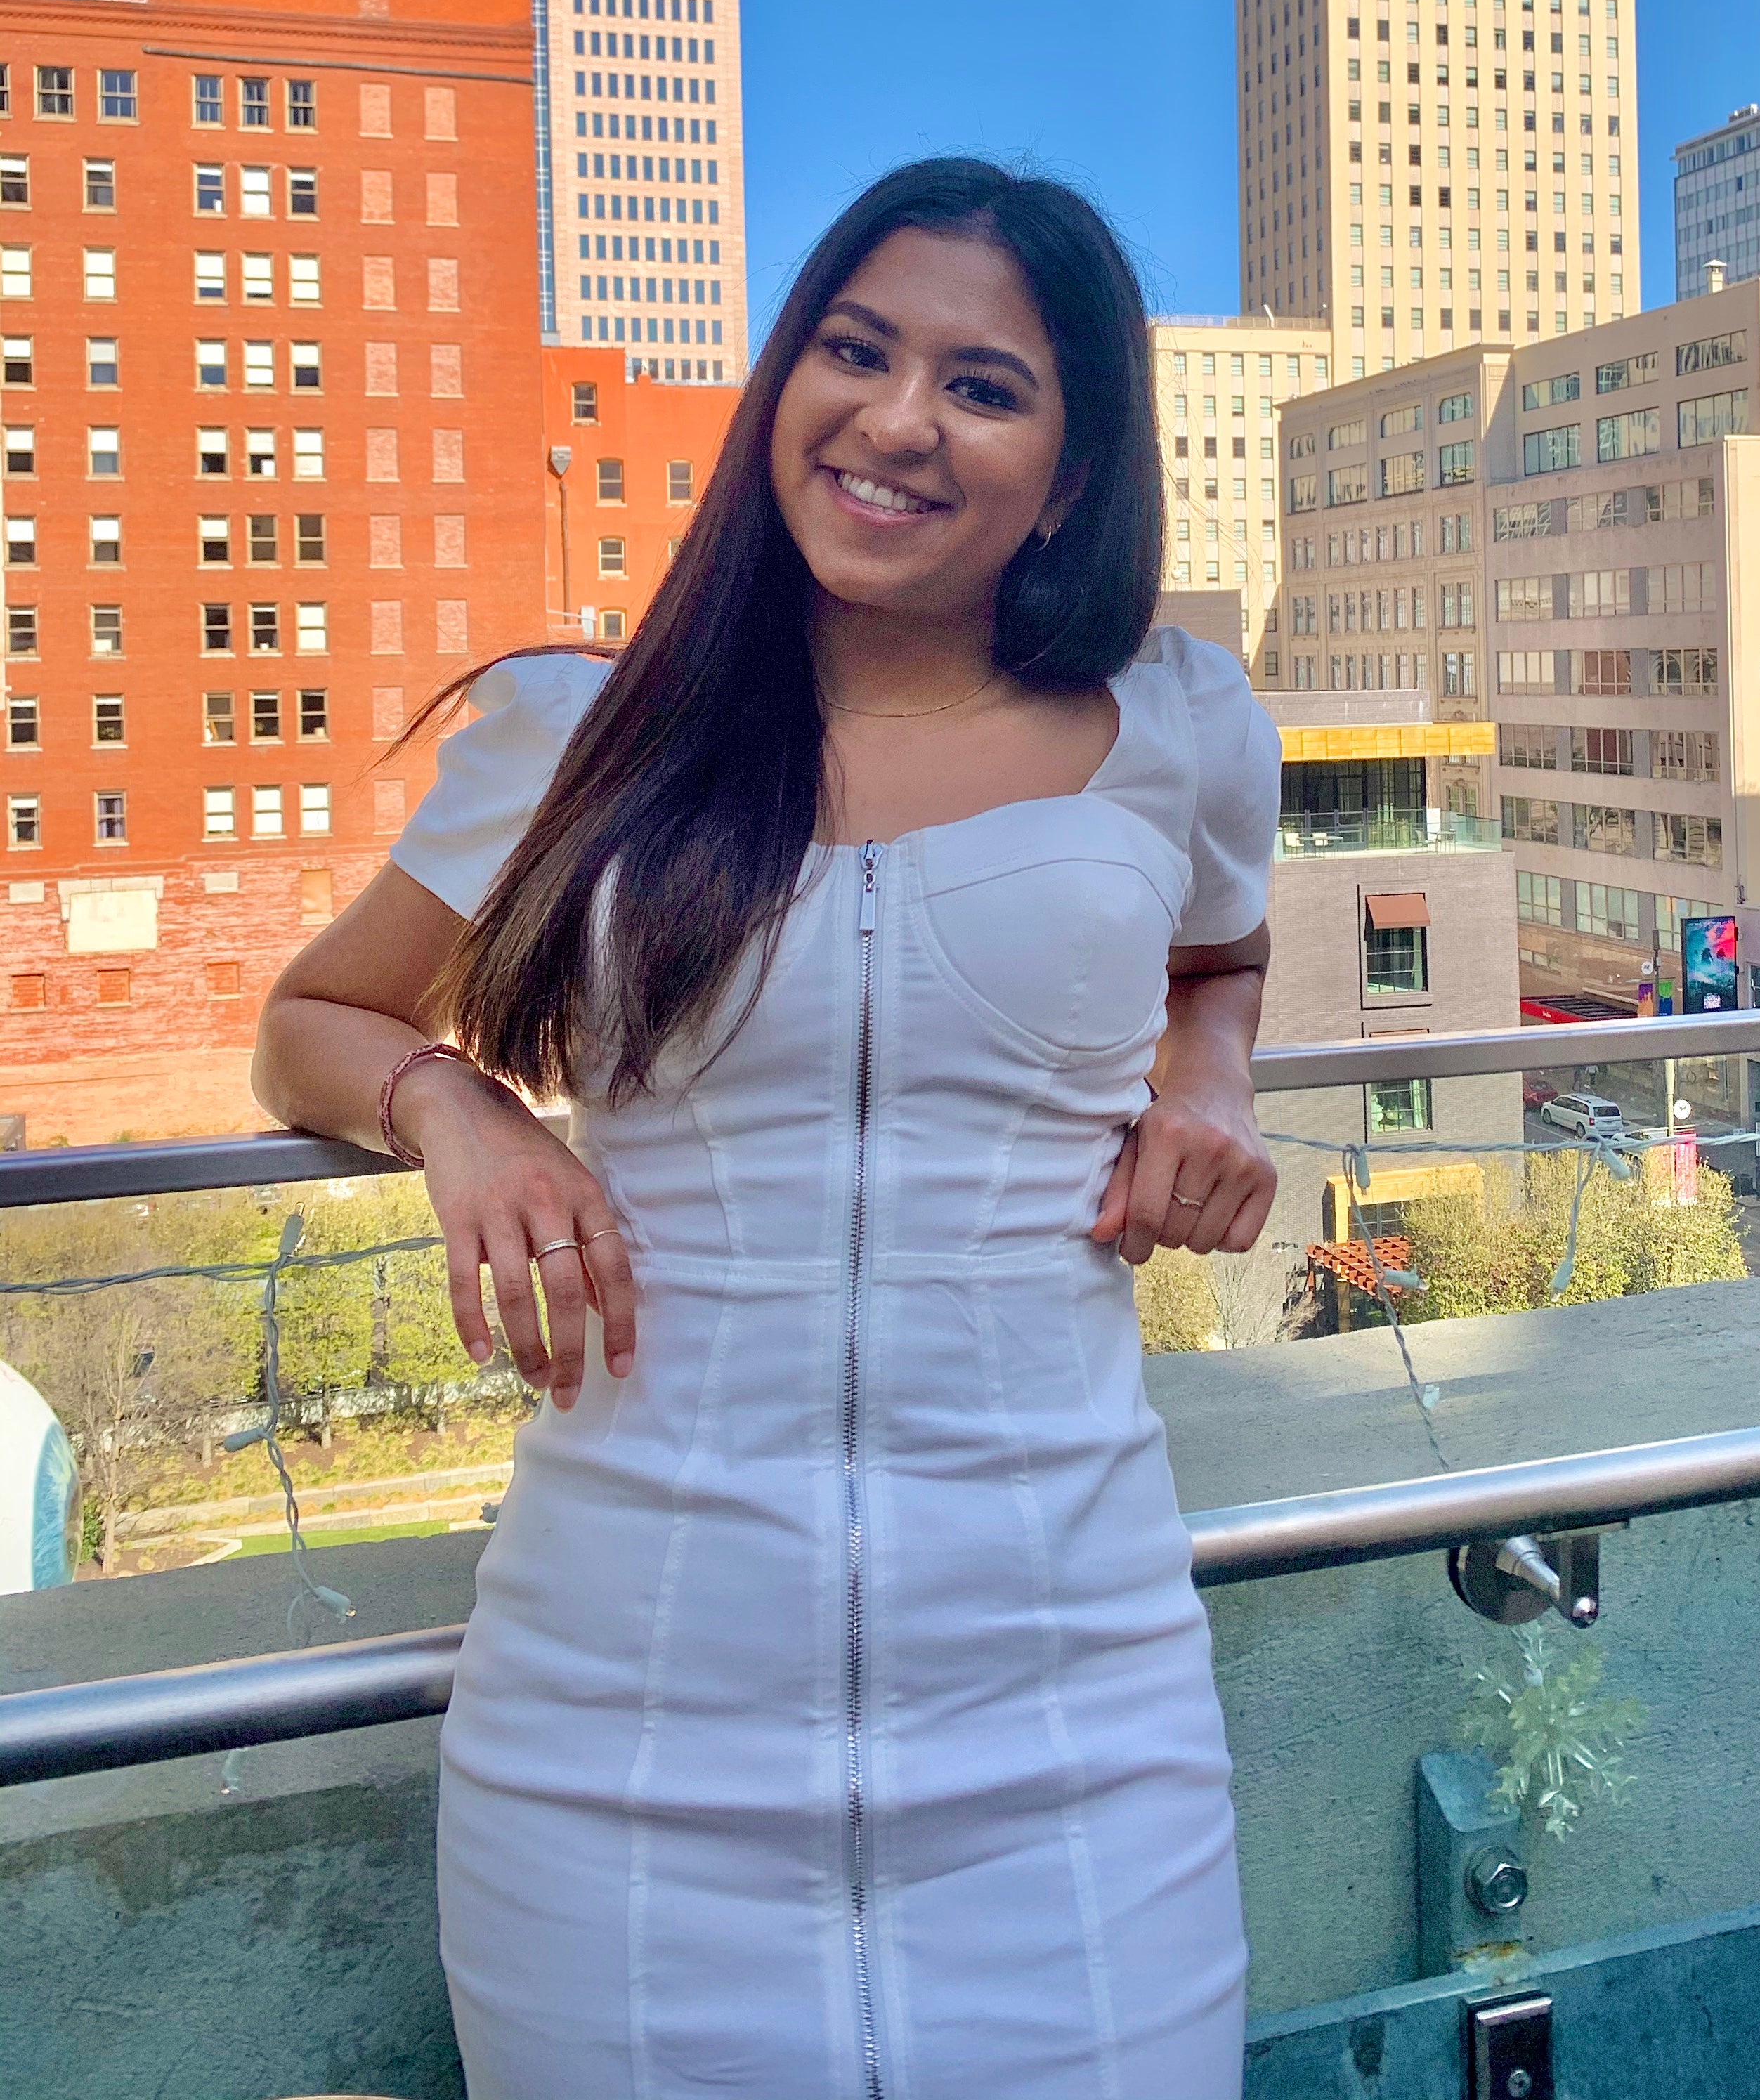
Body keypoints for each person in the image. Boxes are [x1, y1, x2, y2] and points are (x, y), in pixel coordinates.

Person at [253, 159, 1282, 2099]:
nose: (900, 420)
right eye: (857, 351)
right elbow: (314, 1017)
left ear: (1068, 473)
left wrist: (1207, 1092)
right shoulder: (589, 729)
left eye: (984, 386)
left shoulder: (1184, 727)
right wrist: (459, 1109)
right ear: (780, 388)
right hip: (617, 1729)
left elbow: (1221, 970)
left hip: (1077, 1716)